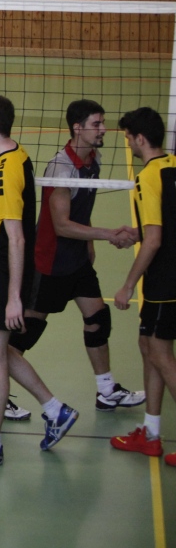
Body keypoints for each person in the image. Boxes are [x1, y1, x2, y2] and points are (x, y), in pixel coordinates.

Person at [0, 94, 78, 471]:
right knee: (2, 353)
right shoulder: (11, 157)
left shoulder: (6, 170)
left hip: (1, 271)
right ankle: (55, 410)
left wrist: (13, 297)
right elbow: (1, 219)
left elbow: (17, 236)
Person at [16, 100, 142, 412]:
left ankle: (106, 390)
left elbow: (81, 210)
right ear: (77, 128)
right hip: (49, 261)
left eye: (103, 123)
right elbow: (60, 225)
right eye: (96, 124)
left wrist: (89, 243)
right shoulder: (61, 168)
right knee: (27, 331)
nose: (103, 130)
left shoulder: (93, 159)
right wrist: (107, 234)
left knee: (98, 318)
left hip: (77, 259)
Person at [110, 108, 176, 463]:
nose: (129, 144)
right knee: (148, 345)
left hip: (165, 281)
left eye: (128, 138)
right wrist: (137, 231)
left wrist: (127, 285)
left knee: (162, 354)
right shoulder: (173, 165)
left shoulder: (147, 177)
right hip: (166, 277)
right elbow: (164, 223)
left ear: (139, 138)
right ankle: (150, 434)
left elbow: (154, 241)